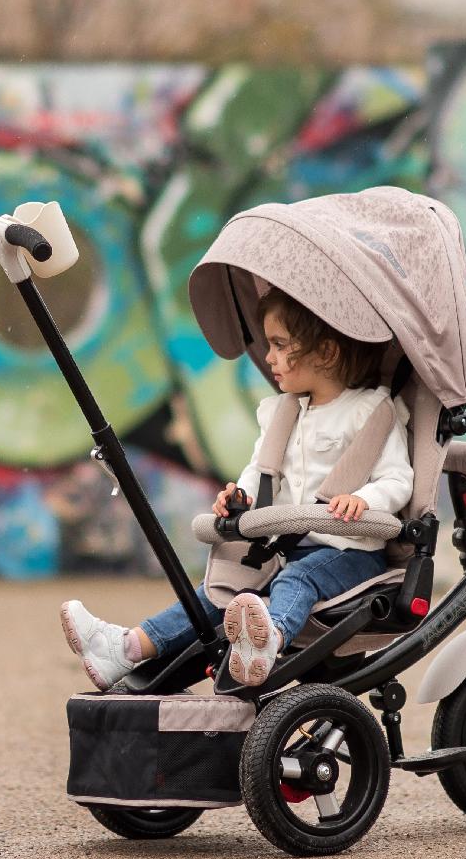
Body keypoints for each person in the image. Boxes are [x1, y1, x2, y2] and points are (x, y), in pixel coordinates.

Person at [62, 287, 414, 688]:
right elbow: (260, 472)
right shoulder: (282, 413)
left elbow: (398, 480)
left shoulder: (368, 412)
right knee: (218, 591)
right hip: (285, 545)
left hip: (349, 551)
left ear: (327, 353)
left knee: (295, 581)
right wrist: (241, 498)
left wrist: (362, 499)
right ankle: (126, 648)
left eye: (280, 345)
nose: (268, 358)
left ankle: (268, 641)